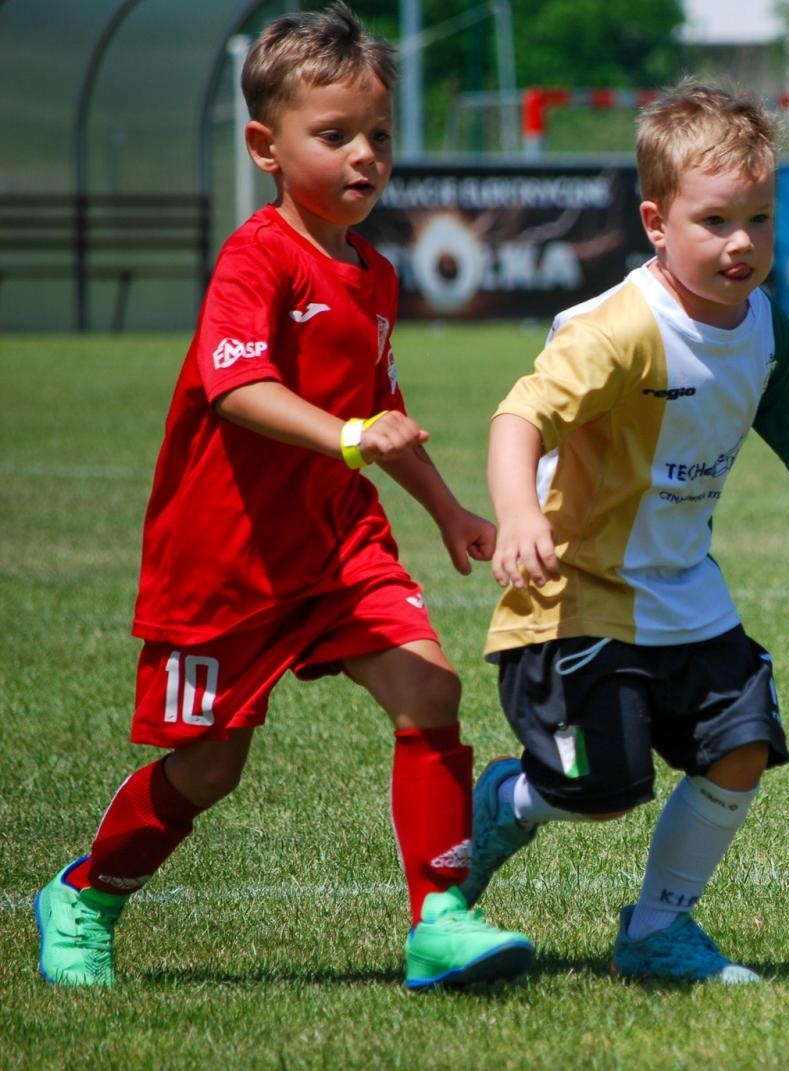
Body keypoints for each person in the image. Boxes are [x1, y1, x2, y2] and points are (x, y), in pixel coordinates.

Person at [33, 3, 532, 992]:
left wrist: (446, 510)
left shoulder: (376, 275)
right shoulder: (255, 257)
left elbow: (382, 408)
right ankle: (85, 894)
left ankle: (438, 919)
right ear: (266, 145)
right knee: (211, 768)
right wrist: (347, 436)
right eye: (335, 135)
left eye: (379, 135)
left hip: (336, 540)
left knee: (428, 686)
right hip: (228, 558)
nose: (365, 156)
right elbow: (237, 386)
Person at [460, 81, 789, 984]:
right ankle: (503, 802)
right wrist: (514, 514)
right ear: (657, 223)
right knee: (601, 791)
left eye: (760, 219)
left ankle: (658, 929)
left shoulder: (767, 327)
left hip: (686, 593)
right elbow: (519, 418)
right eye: (716, 221)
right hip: (575, 595)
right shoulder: (617, 329)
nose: (742, 243)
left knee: (743, 743)